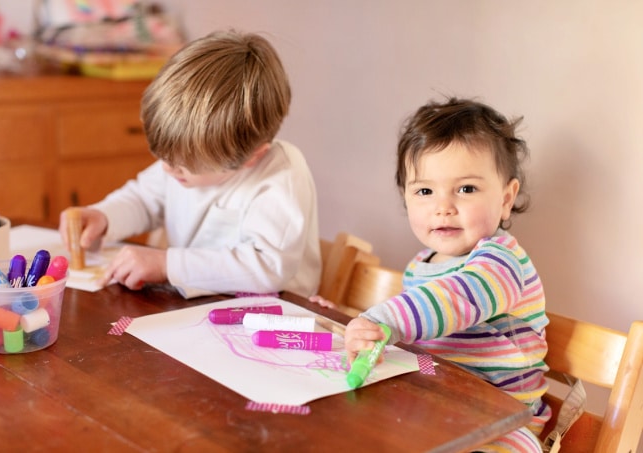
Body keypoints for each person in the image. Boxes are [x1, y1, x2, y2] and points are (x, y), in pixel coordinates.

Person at [311, 97, 551, 452]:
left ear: (504, 198)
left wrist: (382, 320)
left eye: (466, 189)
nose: (443, 207)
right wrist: (349, 325)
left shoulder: (501, 262)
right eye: (424, 191)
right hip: (433, 406)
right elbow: (412, 328)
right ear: (406, 199)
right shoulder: (420, 264)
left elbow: (451, 300)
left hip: (502, 422)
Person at [59, 30, 320, 299]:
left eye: (184, 166)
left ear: (250, 158)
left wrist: (166, 265)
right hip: (200, 310)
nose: (168, 170)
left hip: (276, 320)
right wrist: (104, 216)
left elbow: (267, 267)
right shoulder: (179, 165)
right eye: (165, 157)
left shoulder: (281, 175)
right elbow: (143, 199)